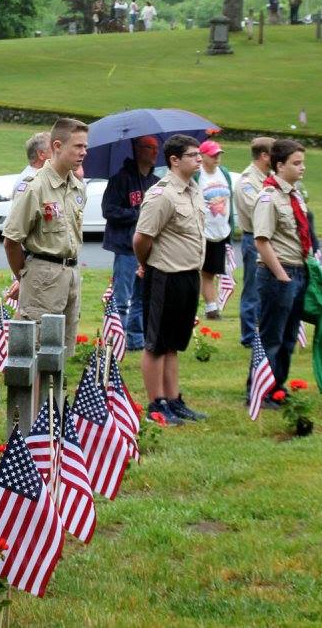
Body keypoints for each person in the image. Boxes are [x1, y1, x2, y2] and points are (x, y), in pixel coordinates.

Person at [134, 134, 206, 426]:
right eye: (193, 155)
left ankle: (173, 400)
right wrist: (145, 264)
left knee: (174, 342)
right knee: (157, 343)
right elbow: (142, 238)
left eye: (200, 154)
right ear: (174, 160)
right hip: (165, 275)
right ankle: (156, 404)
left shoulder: (193, 190)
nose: (199, 159)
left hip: (189, 274)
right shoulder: (162, 194)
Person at [3, 117, 88, 360]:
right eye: (78, 146)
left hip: (70, 274)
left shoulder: (77, 187)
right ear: (57, 146)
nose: (84, 152)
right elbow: (11, 241)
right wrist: (24, 277)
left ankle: (54, 388)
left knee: (62, 350)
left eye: (85, 146)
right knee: (37, 350)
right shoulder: (35, 187)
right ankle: (37, 389)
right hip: (43, 275)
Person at [253, 139, 312, 400]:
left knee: (289, 337)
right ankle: (260, 391)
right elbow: (261, 240)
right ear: (279, 166)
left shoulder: (295, 195)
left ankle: (278, 387)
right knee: (272, 337)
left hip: (298, 270)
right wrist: (280, 275)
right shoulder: (269, 196)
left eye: (303, 163)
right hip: (278, 272)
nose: (302, 167)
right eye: (296, 163)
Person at [101, 136, 160, 351]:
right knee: (122, 298)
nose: (155, 152)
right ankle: (118, 342)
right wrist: (137, 213)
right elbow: (109, 210)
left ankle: (136, 340)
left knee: (142, 297)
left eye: (156, 148)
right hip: (126, 248)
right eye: (150, 147)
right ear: (137, 149)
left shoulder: (156, 183)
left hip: (148, 249)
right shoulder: (120, 179)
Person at [233, 137, 274, 346]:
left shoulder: (271, 177)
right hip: (254, 237)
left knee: (270, 287)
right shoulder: (247, 182)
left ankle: (266, 330)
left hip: (272, 238)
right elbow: (258, 210)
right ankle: (249, 336)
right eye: (275, 153)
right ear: (264, 155)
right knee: (253, 288)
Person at [195, 140, 235, 320]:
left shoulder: (223, 173)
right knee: (199, 271)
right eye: (212, 155)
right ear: (202, 156)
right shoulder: (198, 175)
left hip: (221, 231)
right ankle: (208, 308)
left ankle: (212, 308)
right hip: (202, 232)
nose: (217, 158)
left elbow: (230, 200)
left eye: (218, 154)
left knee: (212, 271)